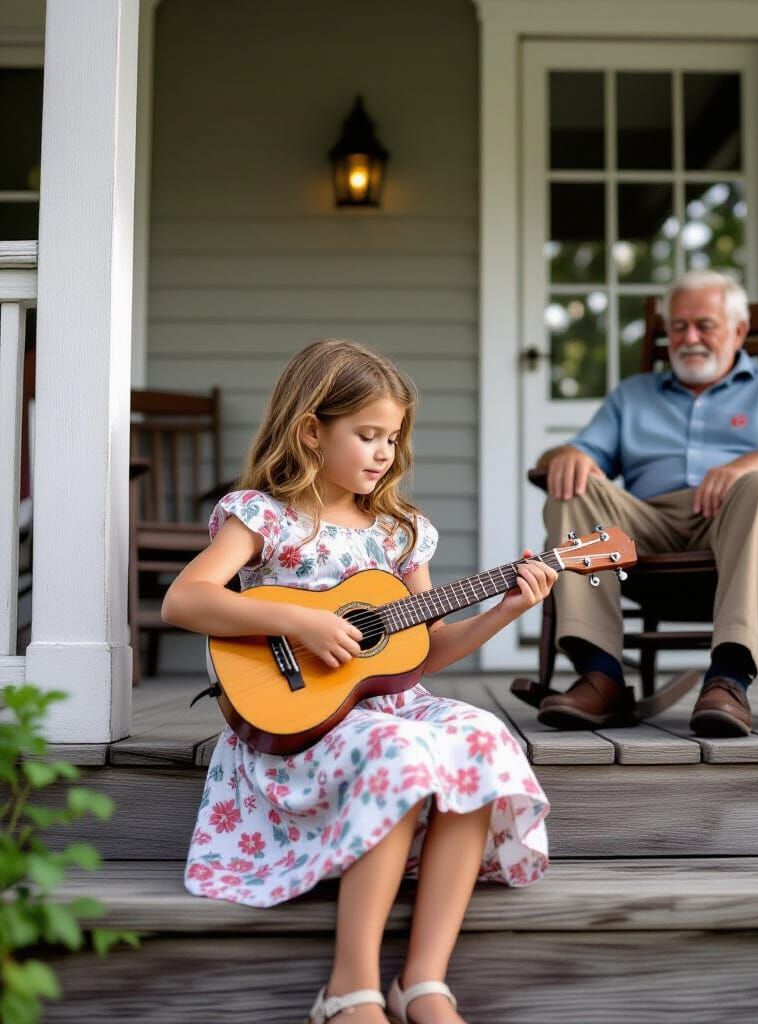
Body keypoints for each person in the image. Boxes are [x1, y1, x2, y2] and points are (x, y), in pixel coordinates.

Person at [163, 339, 556, 1024]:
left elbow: (421, 655)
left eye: (392, 437)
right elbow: (184, 600)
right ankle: (349, 988)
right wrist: (296, 621)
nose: (382, 452)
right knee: (400, 753)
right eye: (366, 434)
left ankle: (424, 981)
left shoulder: (401, 533)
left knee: (485, 736)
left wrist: (507, 610)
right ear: (312, 429)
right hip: (301, 727)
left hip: (389, 706)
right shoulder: (265, 515)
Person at [533, 270, 758, 738]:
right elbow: (575, 456)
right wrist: (565, 454)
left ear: (738, 331)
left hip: (744, 523)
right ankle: (601, 676)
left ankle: (729, 679)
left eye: (705, 325)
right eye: (678, 326)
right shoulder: (634, 395)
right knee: (573, 488)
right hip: (647, 529)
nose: (689, 338)